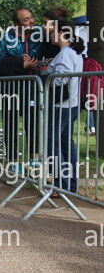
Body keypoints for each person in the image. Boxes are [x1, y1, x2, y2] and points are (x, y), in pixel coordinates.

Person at [0, 8, 43, 165]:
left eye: (31, 17)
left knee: (33, 123)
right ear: (17, 24)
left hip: (32, 89)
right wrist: (21, 64)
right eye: (26, 20)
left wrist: (37, 64)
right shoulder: (6, 40)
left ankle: (34, 160)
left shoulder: (40, 37)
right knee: (10, 124)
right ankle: (13, 162)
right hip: (10, 90)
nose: (31, 21)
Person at [41, 19, 84, 194]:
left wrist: (45, 79)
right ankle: (70, 184)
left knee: (53, 142)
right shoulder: (74, 52)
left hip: (62, 105)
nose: (50, 35)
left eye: (53, 32)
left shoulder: (65, 53)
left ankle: (61, 183)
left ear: (61, 33)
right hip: (71, 104)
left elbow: (60, 79)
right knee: (66, 143)